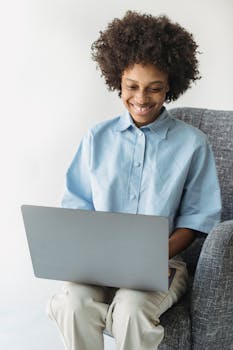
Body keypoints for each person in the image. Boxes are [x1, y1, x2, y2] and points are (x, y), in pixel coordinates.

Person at [46, 11, 221, 350]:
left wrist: (149, 255)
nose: (142, 99)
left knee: (130, 310)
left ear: (171, 85)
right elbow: (76, 208)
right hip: (98, 262)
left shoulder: (192, 144)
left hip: (162, 262)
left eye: (155, 88)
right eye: (132, 87)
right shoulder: (97, 138)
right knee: (72, 305)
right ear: (118, 80)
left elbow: (199, 220)